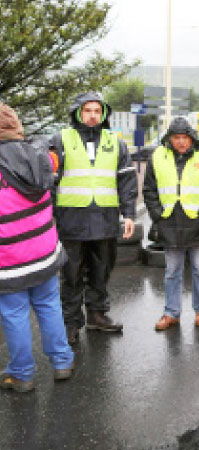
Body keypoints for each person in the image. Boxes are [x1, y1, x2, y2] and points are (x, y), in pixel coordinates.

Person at [49, 92, 137, 344]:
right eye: (87, 110)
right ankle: (71, 323)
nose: (92, 115)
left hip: (105, 219)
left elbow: (127, 181)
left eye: (97, 111)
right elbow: (49, 181)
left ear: (103, 114)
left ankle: (97, 316)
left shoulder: (115, 142)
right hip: (71, 219)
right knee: (71, 274)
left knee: (101, 270)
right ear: (78, 112)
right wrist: (51, 216)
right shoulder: (60, 140)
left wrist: (129, 214)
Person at [0, 103, 74, 392]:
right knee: (48, 305)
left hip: (9, 259)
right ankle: (62, 362)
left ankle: (22, 374)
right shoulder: (39, 156)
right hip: (44, 252)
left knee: (15, 313)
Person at [142, 117, 199, 331]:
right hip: (169, 222)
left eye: (184, 138)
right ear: (169, 138)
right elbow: (149, 190)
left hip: (197, 223)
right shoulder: (158, 156)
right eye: (176, 138)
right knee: (172, 271)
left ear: (191, 138)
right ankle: (171, 313)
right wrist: (157, 215)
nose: (181, 142)